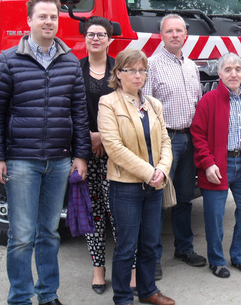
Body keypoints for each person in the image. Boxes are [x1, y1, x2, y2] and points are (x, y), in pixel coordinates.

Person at [0, 0, 91, 305]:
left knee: (49, 233)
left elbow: (79, 114)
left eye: (53, 17)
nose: (48, 22)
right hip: (21, 162)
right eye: (42, 16)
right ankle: (19, 297)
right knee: (20, 237)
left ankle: (47, 294)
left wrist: (81, 155)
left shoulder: (69, 60)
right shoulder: (8, 60)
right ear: (28, 21)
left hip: (59, 162)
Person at [98, 49, 175, 305]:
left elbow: (165, 141)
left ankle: (148, 291)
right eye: (131, 70)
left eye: (142, 70)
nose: (138, 75)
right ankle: (122, 298)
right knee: (126, 247)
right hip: (126, 187)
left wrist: (162, 170)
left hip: (154, 185)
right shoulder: (108, 103)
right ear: (118, 73)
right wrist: (149, 172)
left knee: (150, 243)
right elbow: (114, 147)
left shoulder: (154, 104)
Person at [191, 53, 241, 278]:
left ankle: (240, 256)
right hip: (218, 165)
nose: (234, 74)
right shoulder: (209, 100)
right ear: (219, 73)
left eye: (238, 69)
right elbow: (198, 135)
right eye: (228, 69)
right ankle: (216, 261)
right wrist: (207, 164)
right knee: (214, 217)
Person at [143, 14, 206, 279]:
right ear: (161, 35)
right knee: (156, 201)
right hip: (164, 141)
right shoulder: (151, 65)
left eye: (179, 31)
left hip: (190, 138)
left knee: (184, 198)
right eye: (169, 31)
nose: (175, 35)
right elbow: (144, 106)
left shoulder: (192, 66)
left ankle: (184, 248)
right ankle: (152, 259)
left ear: (185, 35)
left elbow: (198, 103)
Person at [79, 17, 116, 294]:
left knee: (119, 213)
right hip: (85, 153)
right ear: (85, 39)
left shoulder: (120, 68)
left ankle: (129, 269)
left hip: (116, 153)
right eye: (91, 34)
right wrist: (88, 137)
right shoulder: (73, 69)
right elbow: (68, 108)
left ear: (109, 39)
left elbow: (130, 104)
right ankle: (98, 269)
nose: (95, 38)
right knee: (94, 213)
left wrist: (103, 135)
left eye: (101, 34)